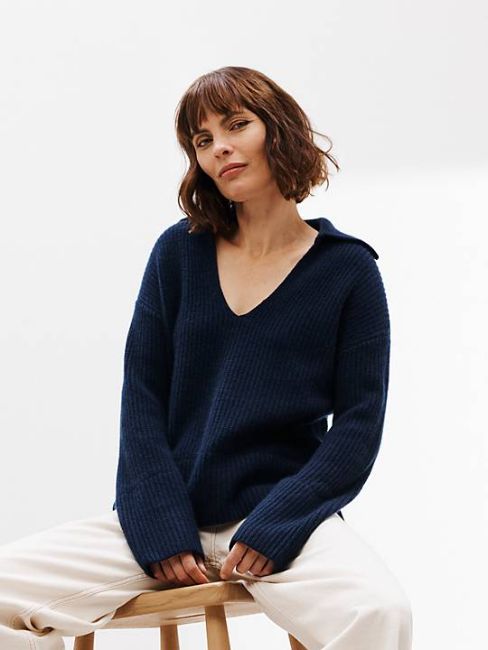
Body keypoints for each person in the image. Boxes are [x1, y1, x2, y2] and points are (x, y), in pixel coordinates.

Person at [0, 66, 413, 650]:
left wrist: (277, 525)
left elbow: (358, 426)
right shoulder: (179, 253)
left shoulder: (348, 271)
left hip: (282, 522)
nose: (219, 147)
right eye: (202, 139)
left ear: (280, 131)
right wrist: (161, 526)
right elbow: (141, 399)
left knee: (378, 612)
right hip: (164, 518)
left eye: (236, 125)